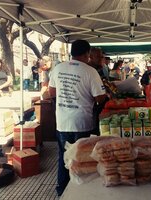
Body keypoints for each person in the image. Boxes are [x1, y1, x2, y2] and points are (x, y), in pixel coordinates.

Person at [48, 40, 107, 196]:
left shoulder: (58, 68)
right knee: (82, 160)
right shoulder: (90, 71)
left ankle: (62, 191)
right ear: (87, 54)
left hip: (62, 123)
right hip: (82, 123)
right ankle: (80, 193)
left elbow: (51, 92)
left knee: (64, 158)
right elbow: (100, 98)